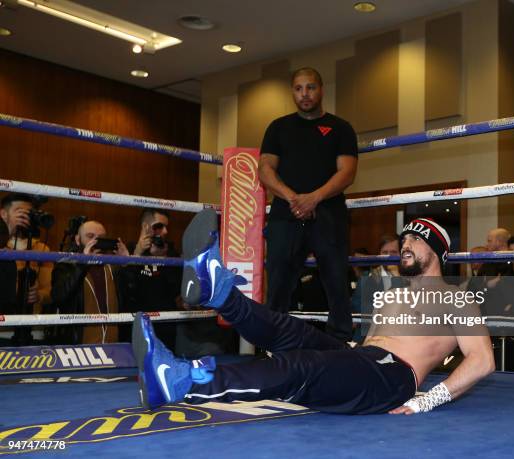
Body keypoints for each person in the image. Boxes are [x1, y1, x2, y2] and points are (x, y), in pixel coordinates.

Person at [133, 211, 494, 415]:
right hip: (363, 361)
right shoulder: (391, 297)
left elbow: (482, 361)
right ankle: (222, 294)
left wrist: (426, 401)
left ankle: (181, 380)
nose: (405, 245)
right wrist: (348, 356)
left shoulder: (456, 300)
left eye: (417, 240)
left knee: (303, 366)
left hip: (393, 378)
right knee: (290, 331)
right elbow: (367, 348)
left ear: (439, 252)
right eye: (405, 239)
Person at [258, 67, 359, 341]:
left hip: (328, 212)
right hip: (285, 213)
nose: (305, 94)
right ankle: (273, 342)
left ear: (321, 89)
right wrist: (294, 198)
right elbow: (265, 170)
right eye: (299, 88)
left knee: (336, 279)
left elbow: (347, 172)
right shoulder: (278, 127)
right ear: (293, 91)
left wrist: (314, 197)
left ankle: (340, 341)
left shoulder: (341, 128)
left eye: (311, 87)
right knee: (278, 279)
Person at [51, 220, 129, 344]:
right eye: (90, 236)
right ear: (78, 240)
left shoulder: (113, 267)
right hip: (78, 348)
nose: (96, 242)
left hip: (113, 347)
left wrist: (126, 265)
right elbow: (59, 298)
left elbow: (132, 299)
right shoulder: (66, 266)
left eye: (101, 238)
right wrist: (83, 264)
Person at [117, 209, 182, 349]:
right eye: (159, 226)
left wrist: (162, 261)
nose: (165, 232)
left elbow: (175, 290)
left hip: (164, 327)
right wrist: (137, 255)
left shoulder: (170, 253)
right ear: (145, 227)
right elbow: (125, 291)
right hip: (136, 326)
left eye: (166, 227)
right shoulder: (129, 250)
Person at [1, 193, 53, 344]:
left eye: (29, 213)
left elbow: (50, 290)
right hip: (3, 327)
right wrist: (8, 230)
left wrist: (39, 295)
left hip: (33, 329)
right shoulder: (2, 246)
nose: (25, 217)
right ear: (3, 214)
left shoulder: (42, 249)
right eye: (20, 212)